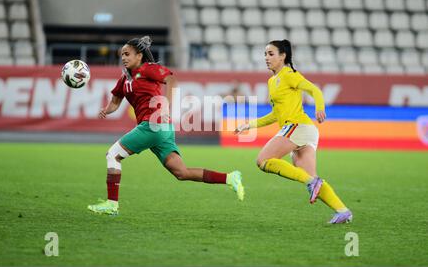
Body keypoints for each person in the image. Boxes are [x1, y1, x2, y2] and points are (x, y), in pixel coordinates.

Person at [88, 36, 244, 215]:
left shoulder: (148, 68)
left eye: (127, 54)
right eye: (121, 54)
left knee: (113, 155)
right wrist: (106, 110)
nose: (123, 58)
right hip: (162, 129)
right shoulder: (124, 80)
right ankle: (230, 178)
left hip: (153, 125)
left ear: (139, 56)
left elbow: (171, 80)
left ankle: (111, 205)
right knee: (181, 172)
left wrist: (167, 105)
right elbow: (115, 102)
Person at [235, 40, 352, 224]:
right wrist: (249, 125)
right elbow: (275, 114)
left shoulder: (289, 74)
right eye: (265, 54)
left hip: (297, 126)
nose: (266, 58)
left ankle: (312, 184)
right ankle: (342, 211)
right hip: (304, 130)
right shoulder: (272, 81)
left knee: (263, 160)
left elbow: (314, 90)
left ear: (283, 56)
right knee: (310, 177)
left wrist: (319, 108)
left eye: (271, 54)